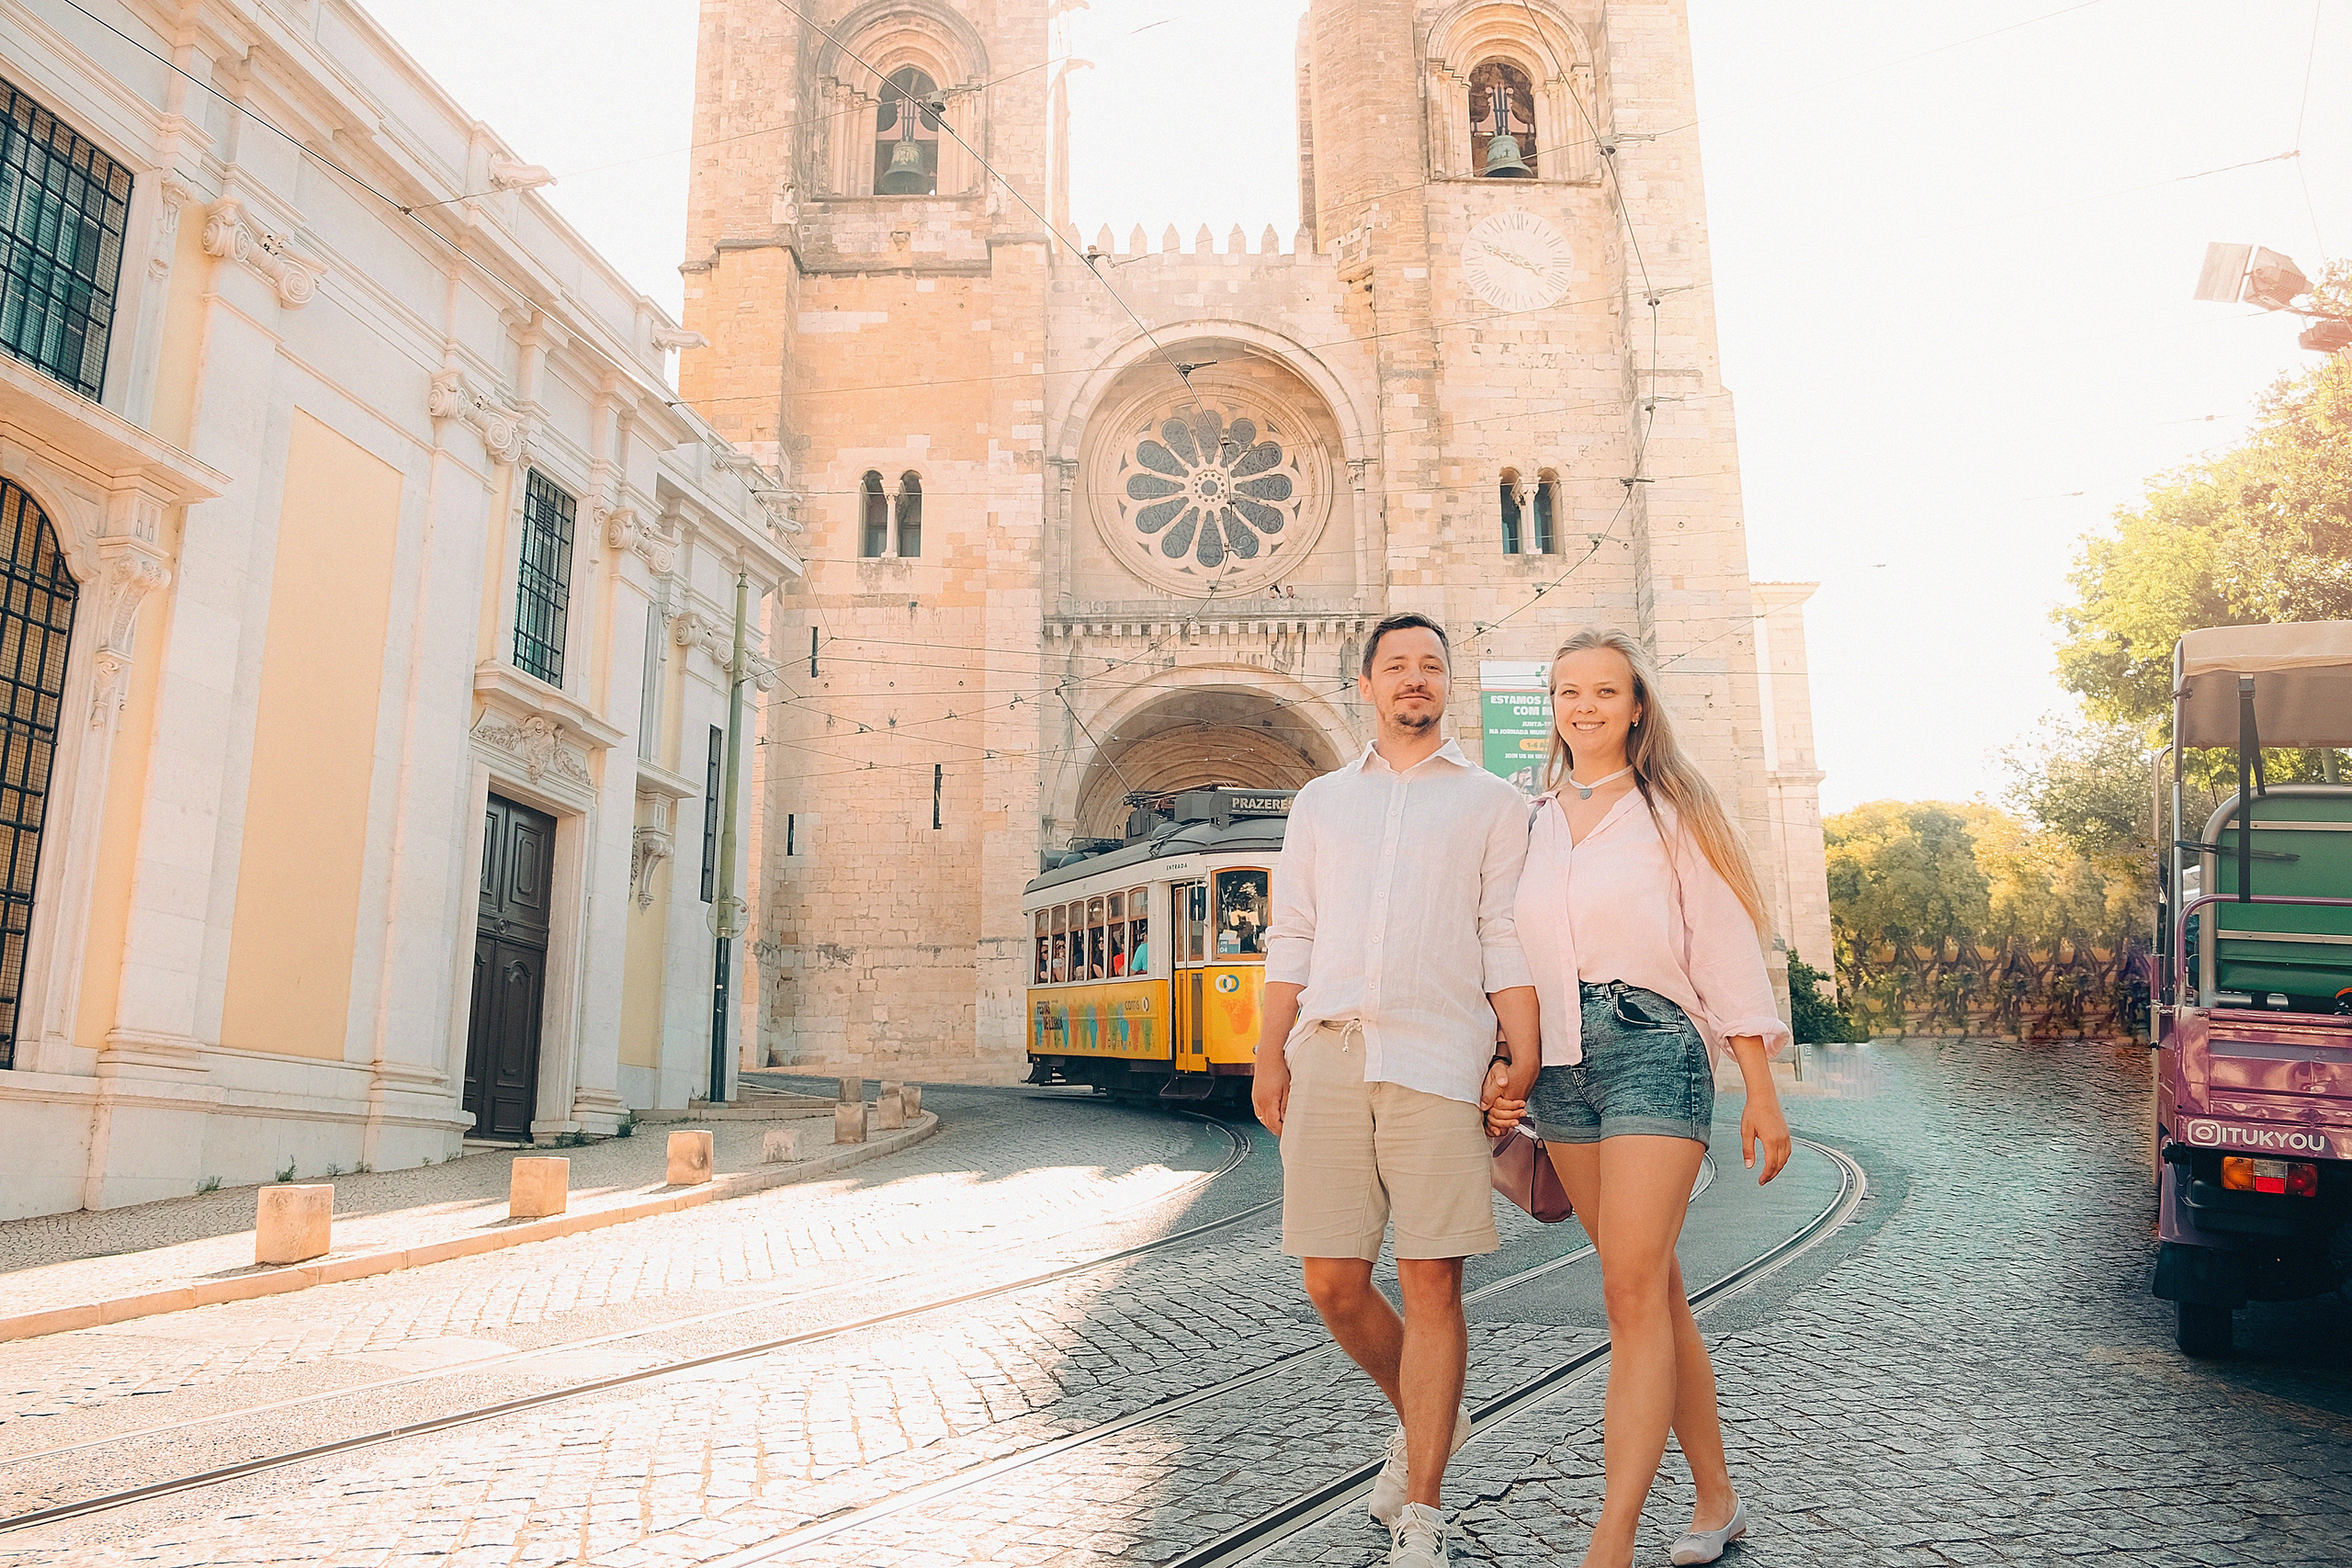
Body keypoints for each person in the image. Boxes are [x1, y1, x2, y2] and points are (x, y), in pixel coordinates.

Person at [1254, 612, 1542, 1568]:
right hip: (1329, 1049)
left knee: (1431, 1285)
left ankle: (1422, 1512)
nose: (1413, 679)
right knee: (1332, 1284)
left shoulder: (1497, 804)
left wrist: (1520, 1055)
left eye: (1429, 666)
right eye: (1395, 667)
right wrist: (1269, 1052)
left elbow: (1504, 933)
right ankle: (1433, 1420)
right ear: (1366, 686)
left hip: (1437, 1058)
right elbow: (1289, 930)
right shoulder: (1321, 803)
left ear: (1446, 684)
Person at [1504, 626, 1792, 1568]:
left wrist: (1758, 1090)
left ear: (1635, 708)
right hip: (1557, 1066)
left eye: (1602, 691)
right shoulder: (1528, 819)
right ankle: (1716, 1500)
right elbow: (1498, 955)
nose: (1583, 706)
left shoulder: (1672, 812)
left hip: (1650, 1046)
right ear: (1551, 708)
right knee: (1653, 1292)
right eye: (1566, 692)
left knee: (1628, 1289)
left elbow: (1721, 945)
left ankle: (1610, 1539)